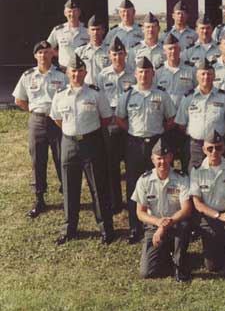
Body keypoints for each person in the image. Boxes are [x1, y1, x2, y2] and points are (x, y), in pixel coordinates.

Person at [49, 53, 114, 245]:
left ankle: (105, 229)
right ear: (67, 72)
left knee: (98, 186)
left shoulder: (95, 93)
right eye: (73, 71)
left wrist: (87, 133)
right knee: (69, 186)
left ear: (85, 72)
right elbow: (57, 119)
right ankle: (70, 228)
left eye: (80, 70)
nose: (76, 74)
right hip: (69, 143)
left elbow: (105, 117)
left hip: (92, 142)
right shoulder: (60, 96)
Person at [115, 56, 177, 244]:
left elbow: (171, 118)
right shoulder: (127, 94)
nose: (144, 75)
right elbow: (120, 118)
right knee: (135, 184)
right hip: (134, 144)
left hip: (158, 145)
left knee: (164, 182)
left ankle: (167, 223)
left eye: (147, 72)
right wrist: (134, 133)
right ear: (136, 74)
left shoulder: (161, 94)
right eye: (140, 72)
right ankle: (135, 227)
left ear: (153, 74)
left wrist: (158, 134)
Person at [12, 40, 67, 218]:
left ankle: (67, 195)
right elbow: (19, 99)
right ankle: (39, 199)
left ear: (52, 54)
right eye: (40, 53)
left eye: (46, 52)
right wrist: (34, 110)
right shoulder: (28, 76)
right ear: (35, 56)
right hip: (37, 121)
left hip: (57, 121)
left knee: (62, 158)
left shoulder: (61, 75)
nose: (43, 55)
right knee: (38, 160)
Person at [190, 130, 225, 284]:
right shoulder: (196, 171)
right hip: (208, 217)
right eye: (210, 148)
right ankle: (223, 247)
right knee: (212, 266)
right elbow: (198, 204)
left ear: (224, 148)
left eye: (218, 147)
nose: (214, 151)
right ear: (204, 149)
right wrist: (219, 216)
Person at [132, 137, 192, 281]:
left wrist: (166, 223)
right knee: (146, 273)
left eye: (165, 158)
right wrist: (159, 223)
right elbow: (140, 212)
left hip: (176, 223)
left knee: (184, 226)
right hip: (154, 227)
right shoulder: (144, 180)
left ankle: (179, 266)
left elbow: (186, 209)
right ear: (152, 159)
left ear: (171, 157)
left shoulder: (181, 178)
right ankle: (166, 252)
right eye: (159, 158)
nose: (162, 162)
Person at [97, 36, 136, 214]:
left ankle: (133, 201)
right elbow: (99, 99)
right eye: (114, 54)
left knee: (131, 164)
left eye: (120, 54)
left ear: (125, 54)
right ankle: (116, 203)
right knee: (112, 165)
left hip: (129, 121)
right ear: (109, 55)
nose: (118, 57)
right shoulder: (103, 75)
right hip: (111, 121)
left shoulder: (134, 73)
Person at [175, 59, 225, 169]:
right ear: (197, 77)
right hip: (196, 146)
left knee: (219, 173)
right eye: (203, 74)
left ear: (214, 76)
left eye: (209, 74)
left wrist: (219, 138)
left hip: (217, 146)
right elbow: (181, 124)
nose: (206, 77)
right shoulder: (188, 98)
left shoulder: (224, 97)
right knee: (194, 174)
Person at [155, 33, 197, 109]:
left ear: (180, 50)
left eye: (175, 48)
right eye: (170, 49)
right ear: (164, 51)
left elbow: (198, 90)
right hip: (165, 114)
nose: (173, 51)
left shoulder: (191, 69)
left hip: (185, 112)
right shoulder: (158, 71)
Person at [47, 0, 90, 70]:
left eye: (74, 11)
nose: (72, 14)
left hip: (82, 70)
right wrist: (60, 55)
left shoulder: (87, 30)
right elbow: (48, 48)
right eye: (69, 11)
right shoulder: (58, 30)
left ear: (79, 12)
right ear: (65, 13)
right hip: (64, 69)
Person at [76, 14, 110, 85]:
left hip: (104, 90)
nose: (95, 33)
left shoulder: (110, 51)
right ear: (88, 31)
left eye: (98, 29)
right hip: (87, 91)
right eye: (93, 29)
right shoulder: (80, 51)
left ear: (103, 31)